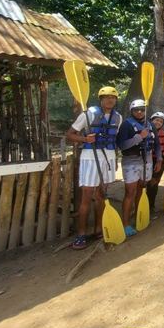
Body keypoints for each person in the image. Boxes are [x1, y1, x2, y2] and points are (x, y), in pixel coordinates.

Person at [66, 86, 122, 250]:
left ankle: (99, 229)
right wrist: (84, 139)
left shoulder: (117, 117)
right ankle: (81, 234)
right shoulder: (88, 114)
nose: (110, 100)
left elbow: (115, 138)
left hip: (109, 157)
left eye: (113, 97)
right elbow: (69, 134)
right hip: (90, 158)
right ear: (100, 99)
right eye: (106, 97)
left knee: (101, 195)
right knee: (87, 197)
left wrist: (116, 160)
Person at [117, 99, 162, 236]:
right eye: (136, 110)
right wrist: (138, 137)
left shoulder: (150, 124)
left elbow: (157, 145)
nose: (139, 112)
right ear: (132, 111)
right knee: (130, 192)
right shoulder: (126, 125)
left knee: (140, 190)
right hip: (131, 161)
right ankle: (125, 224)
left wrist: (159, 159)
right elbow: (122, 145)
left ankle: (139, 216)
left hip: (147, 160)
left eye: (142, 109)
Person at [148, 111, 164, 214]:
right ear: (151, 120)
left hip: (160, 160)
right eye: (156, 120)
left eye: (160, 121)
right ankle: (144, 205)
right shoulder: (146, 131)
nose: (158, 122)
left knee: (154, 183)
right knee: (146, 183)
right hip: (148, 160)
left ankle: (151, 205)